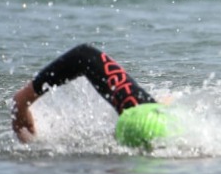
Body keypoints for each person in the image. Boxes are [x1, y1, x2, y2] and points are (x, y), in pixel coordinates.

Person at [12, 43, 177, 148]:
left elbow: (83, 55)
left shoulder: (148, 118)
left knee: (85, 55)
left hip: (146, 123)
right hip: (160, 140)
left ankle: (23, 99)